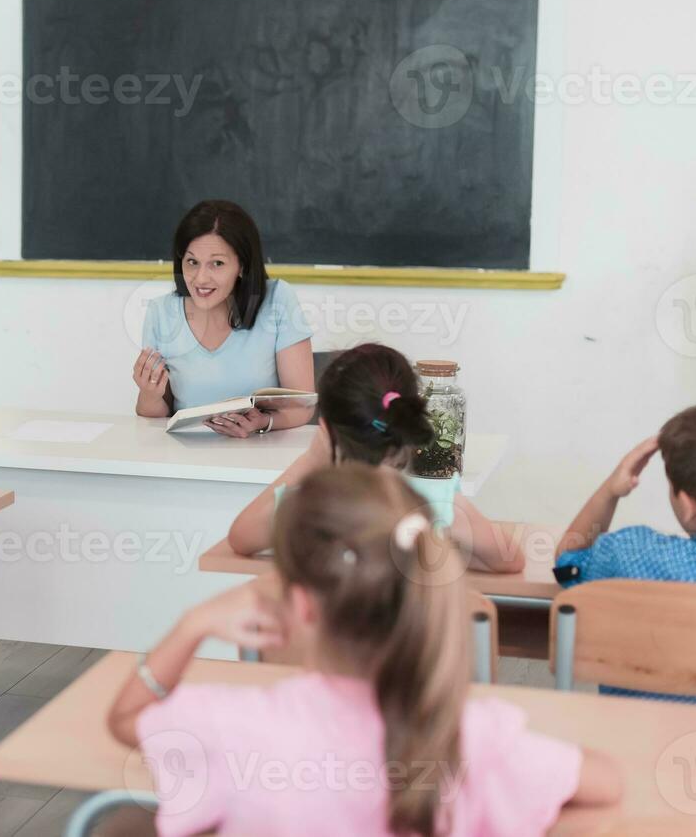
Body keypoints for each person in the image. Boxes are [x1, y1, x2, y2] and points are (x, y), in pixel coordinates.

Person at [108, 465, 622, 837]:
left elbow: (127, 716)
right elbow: (604, 781)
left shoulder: (234, 724)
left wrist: (193, 624)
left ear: (302, 606)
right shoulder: (475, 737)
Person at [227, 343, 520, 573]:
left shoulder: (305, 507)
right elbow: (510, 559)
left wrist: (313, 458)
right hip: (409, 649)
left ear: (326, 427)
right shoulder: (436, 502)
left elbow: (240, 538)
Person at [555, 402, 696, 701]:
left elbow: (566, 562)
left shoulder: (631, 554)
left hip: (633, 742)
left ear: (688, 506)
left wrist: (611, 489)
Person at [135, 200, 313, 436]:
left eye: (217, 263)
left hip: (258, 453)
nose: (200, 278)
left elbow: (303, 406)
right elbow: (154, 416)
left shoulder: (278, 299)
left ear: (242, 265)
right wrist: (149, 393)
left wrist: (261, 422)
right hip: (186, 456)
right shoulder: (161, 311)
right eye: (192, 262)